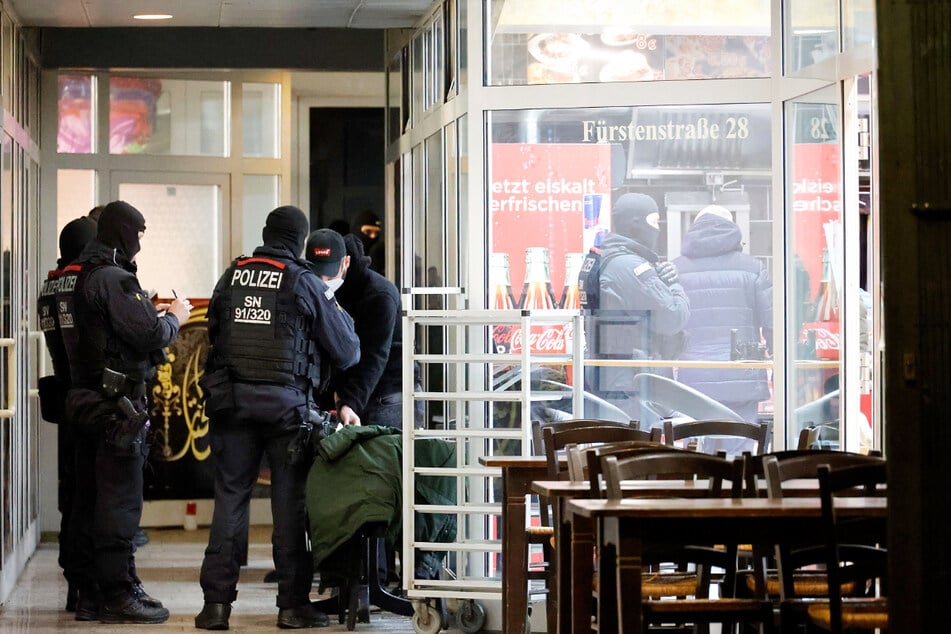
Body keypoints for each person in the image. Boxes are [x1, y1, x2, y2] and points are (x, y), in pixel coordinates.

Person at [195, 205, 361, 630]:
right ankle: (291, 606)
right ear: (300, 239)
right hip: (287, 412)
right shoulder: (305, 282)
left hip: (232, 406)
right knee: (289, 507)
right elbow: (346, 351)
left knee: (231, 500)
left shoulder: (231, 276)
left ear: (266, 233)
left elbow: (213, 332)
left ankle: (216, 607)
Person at [59, 200, 191, 624]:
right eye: (137, 233)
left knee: (92, 501)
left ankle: (92, 594)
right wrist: (175, 317)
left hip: (88, 404)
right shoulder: (115, 279)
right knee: (118, 504)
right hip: (116, 409)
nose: (139, 242)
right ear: (123, 233)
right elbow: (150, 334)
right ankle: (118, 593)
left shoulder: (88, 275)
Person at [579, 192, 689, 429]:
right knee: (636, 459)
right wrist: (674, 284)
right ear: (635, 224)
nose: (657, 228)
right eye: (653, 221)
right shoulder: (629, 266)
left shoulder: (600, 258)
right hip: (631, 386)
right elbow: (673, 317)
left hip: (607, 378)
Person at [673, 204, 773, 454]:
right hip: (741, 376)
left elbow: (668, 324)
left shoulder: (676, 269)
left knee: (695, 451)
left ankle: (699, 492)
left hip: (693, 376)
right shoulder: (753, 268)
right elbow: (773, 324)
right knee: (739, 452)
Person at [37, 216, 97, 612]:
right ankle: (87, 582)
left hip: (65, 397)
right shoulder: (86, 283)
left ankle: (74, 578)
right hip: (90, 401)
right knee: (90, 496)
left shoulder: (50, 284)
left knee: (71, 495)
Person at [306, 229, 420, 429]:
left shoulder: (380, 295)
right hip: (349, 395)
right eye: (317, 275)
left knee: (383, 457)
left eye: (329, 274)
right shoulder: (317, 291)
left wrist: (350, 401)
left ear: (345, 263)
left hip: (387, 394)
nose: (323, 282)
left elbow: (375, 356)